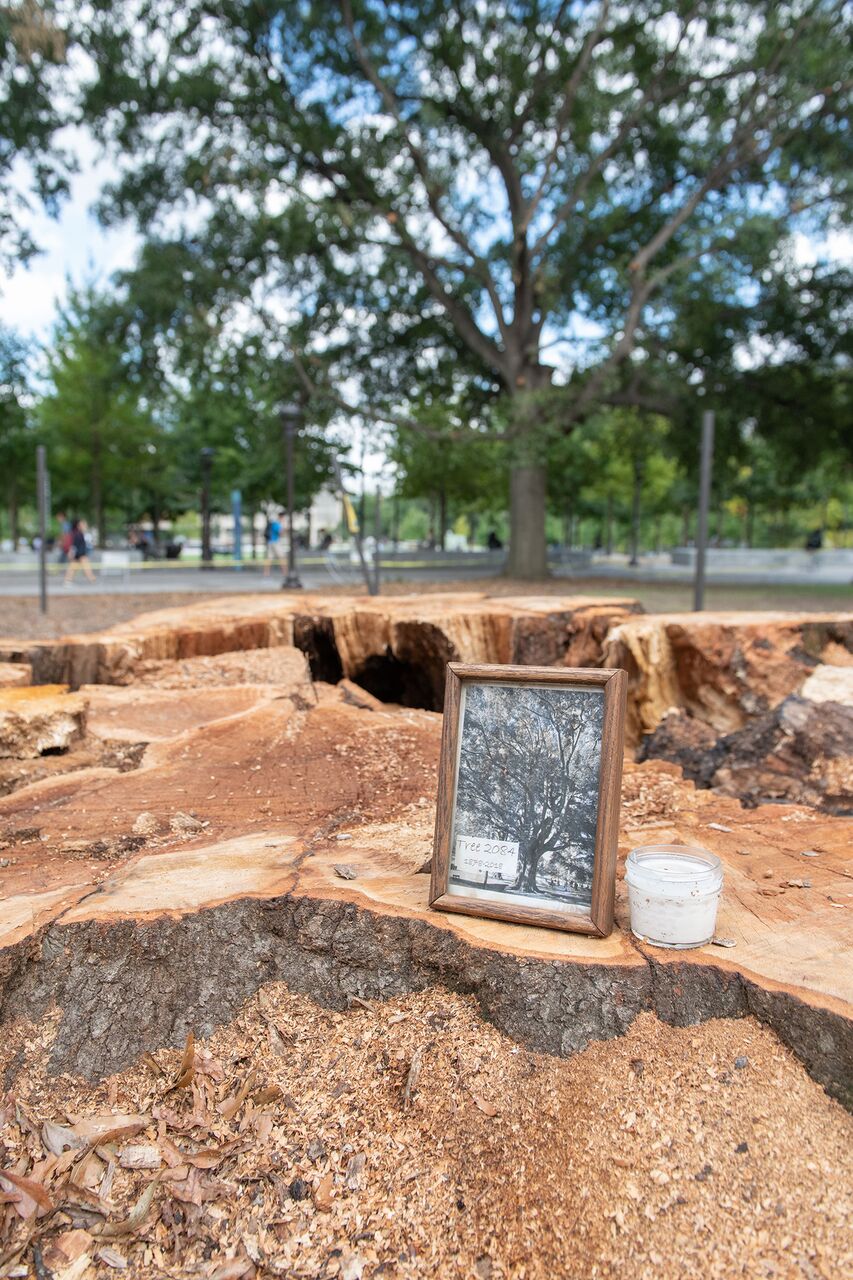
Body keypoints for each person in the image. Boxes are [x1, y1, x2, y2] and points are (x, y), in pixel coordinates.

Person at [64, 519, 97, 585]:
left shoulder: (79, 534)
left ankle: (68, 581)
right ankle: (92, 580)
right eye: (84, 525)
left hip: (79, 554)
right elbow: (74, 545)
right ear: (79, 526)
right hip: (80, 554)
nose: (85, 526)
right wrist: (71, 553)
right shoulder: (78, 534)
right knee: (86, 567)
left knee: (73, 568)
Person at [263, 512, 283, 576]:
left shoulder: (273, 523)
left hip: (270, 542)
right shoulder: (277, 524)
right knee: (281, 557)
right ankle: (285, 572)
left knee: (269, 558)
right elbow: (280, 533)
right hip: (275, 542)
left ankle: (266, 572)